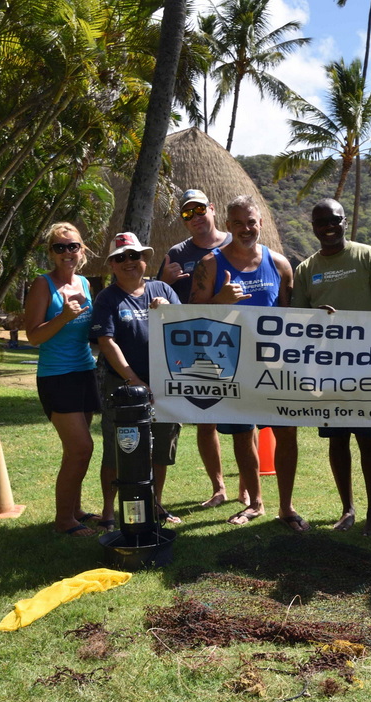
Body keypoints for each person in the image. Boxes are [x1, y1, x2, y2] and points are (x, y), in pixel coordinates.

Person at [190, 195, 306, 531]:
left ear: (260, 223)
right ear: (228, 225)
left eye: (251, 222)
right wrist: (219, 301)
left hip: (274, 366)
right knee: (242, 434)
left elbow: (291, 318)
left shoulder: (280, 264)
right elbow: (192, 317)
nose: (245, 229)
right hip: (230, 365)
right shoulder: (210, 265)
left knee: (287, 432)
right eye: (238, 223)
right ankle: (255, 503)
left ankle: (287, 506)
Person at [291, 198, 371, 536]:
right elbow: (299, 323)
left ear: (344, 220)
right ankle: (347, 509)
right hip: (327, 371)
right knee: (337, 441)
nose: (328, 227)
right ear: (314, 228)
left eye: (334, 220)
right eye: (321, 222)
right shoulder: (305, 269)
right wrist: (318, 321)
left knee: (368, 439)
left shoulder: (369, 256)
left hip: (366, 368)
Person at [90, 232, 182, 529]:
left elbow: (185, 328)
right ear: (112, 266)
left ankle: (155, 504)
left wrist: (167, 312)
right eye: (120, 258)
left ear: (145, 259)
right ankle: (108, 512)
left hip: (165, 384)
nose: (128, 262)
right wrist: (135, 380)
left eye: (134, 256)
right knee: (118, 447)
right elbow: (106, 341)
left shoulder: (163, 290)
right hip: (122, 387)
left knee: (162, 445)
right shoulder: (107, 298)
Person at [159, 189, 235, 509]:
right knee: (207, 419)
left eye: (199, 209)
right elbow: (156, 296)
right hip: (194, 347)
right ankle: (219, 488)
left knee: (246, 420)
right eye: (187, 214)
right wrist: (163, 278)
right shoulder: (176, 252)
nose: (195, 217)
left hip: (236, 342)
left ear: (212, 209)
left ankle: (250, 491)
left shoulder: (236, 244)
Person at [23, 222, 100, 536]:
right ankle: (63, 520)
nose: (67, 252)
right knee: (81, 448)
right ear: (51, 253)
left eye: (73, 246)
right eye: (59, 247)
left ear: (82, 250)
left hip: (85, 371)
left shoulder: (84, 282)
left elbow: (91, 332)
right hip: (57, 376)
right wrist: (63, 317)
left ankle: (76, 509)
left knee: (77, 450)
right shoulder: (43, 285)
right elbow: (33, 337)